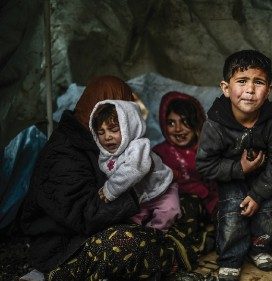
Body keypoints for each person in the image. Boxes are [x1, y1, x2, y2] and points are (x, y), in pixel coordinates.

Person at [20, 76, 200, 280]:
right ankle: (57, 274)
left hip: (102, 220)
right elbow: (85, 217)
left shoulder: (97, 139)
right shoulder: (63, 154)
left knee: (187, 200)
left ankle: (164, 248)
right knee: (128, 242)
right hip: (64, 246)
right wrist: (135, 194)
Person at [196, 50, 272, 281]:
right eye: (242, 81)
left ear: (269, 90)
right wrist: (240, 169)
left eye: (258, 82)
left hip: (265, 179)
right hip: (231, 179)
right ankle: (230, 259)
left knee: (267, 212)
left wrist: (258, 194)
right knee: (232, 214)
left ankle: (260, 249)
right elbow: (205, 166)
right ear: (226, 88)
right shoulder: (215, 125)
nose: (250, 90)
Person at [90, 100, 180, 230]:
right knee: (130, 223)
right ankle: (139, 236)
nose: (107, 137)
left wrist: (109, 190)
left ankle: (155, 233)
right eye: (101, 132)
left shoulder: (138, 146)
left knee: (169, 212)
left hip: (162, 190)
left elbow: (134, 169)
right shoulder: (105, 156)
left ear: (129, 128)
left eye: (113, 129)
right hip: (140, 199)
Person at [153, 91, 218, 218]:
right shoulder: (159, 154)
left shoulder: (209, 150)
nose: (178, 129)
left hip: (210, 208)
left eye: (184, 121)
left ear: (197, 122)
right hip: (171, 209)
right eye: (171, 123)